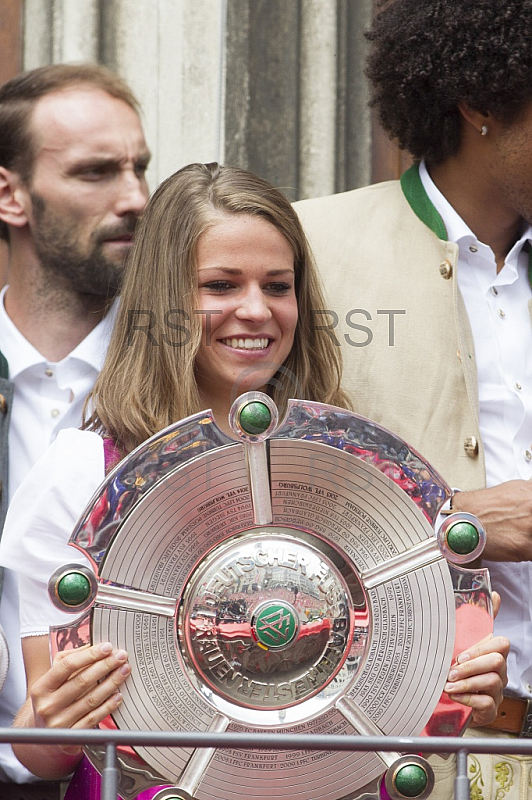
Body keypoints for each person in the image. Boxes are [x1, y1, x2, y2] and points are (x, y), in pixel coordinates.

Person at [0, 163, 508, 793]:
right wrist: (42, 725)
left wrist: (460, 693)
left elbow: (402, 704)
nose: (255, 310)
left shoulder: (358, 470)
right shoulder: (80, 474)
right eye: (220, 284)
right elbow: (48, 748)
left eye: (278, 286)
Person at [293, 0, 532, 796]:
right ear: (482, 104)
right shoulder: (303, 254)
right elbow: (218, 507)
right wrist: (446, 522)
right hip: (381, 756)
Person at [0, 63, 150, 797]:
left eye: (139, 168)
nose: (136, 198)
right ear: (10, 194)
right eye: (97, 173)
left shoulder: (187, 392)